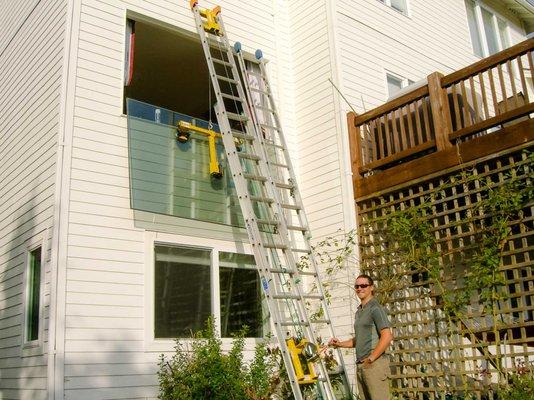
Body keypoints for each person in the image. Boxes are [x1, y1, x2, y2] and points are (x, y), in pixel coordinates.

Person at [328, 274, 393, 400]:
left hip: (374, 365)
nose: (359, 288)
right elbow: (359, 339)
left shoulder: (376, 308)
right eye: (357, 286)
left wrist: (371, 358)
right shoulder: (359, 311)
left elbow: (387, 336)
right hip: (361, 366)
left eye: (363, 285)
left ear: (371, 288)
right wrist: (339, 344)